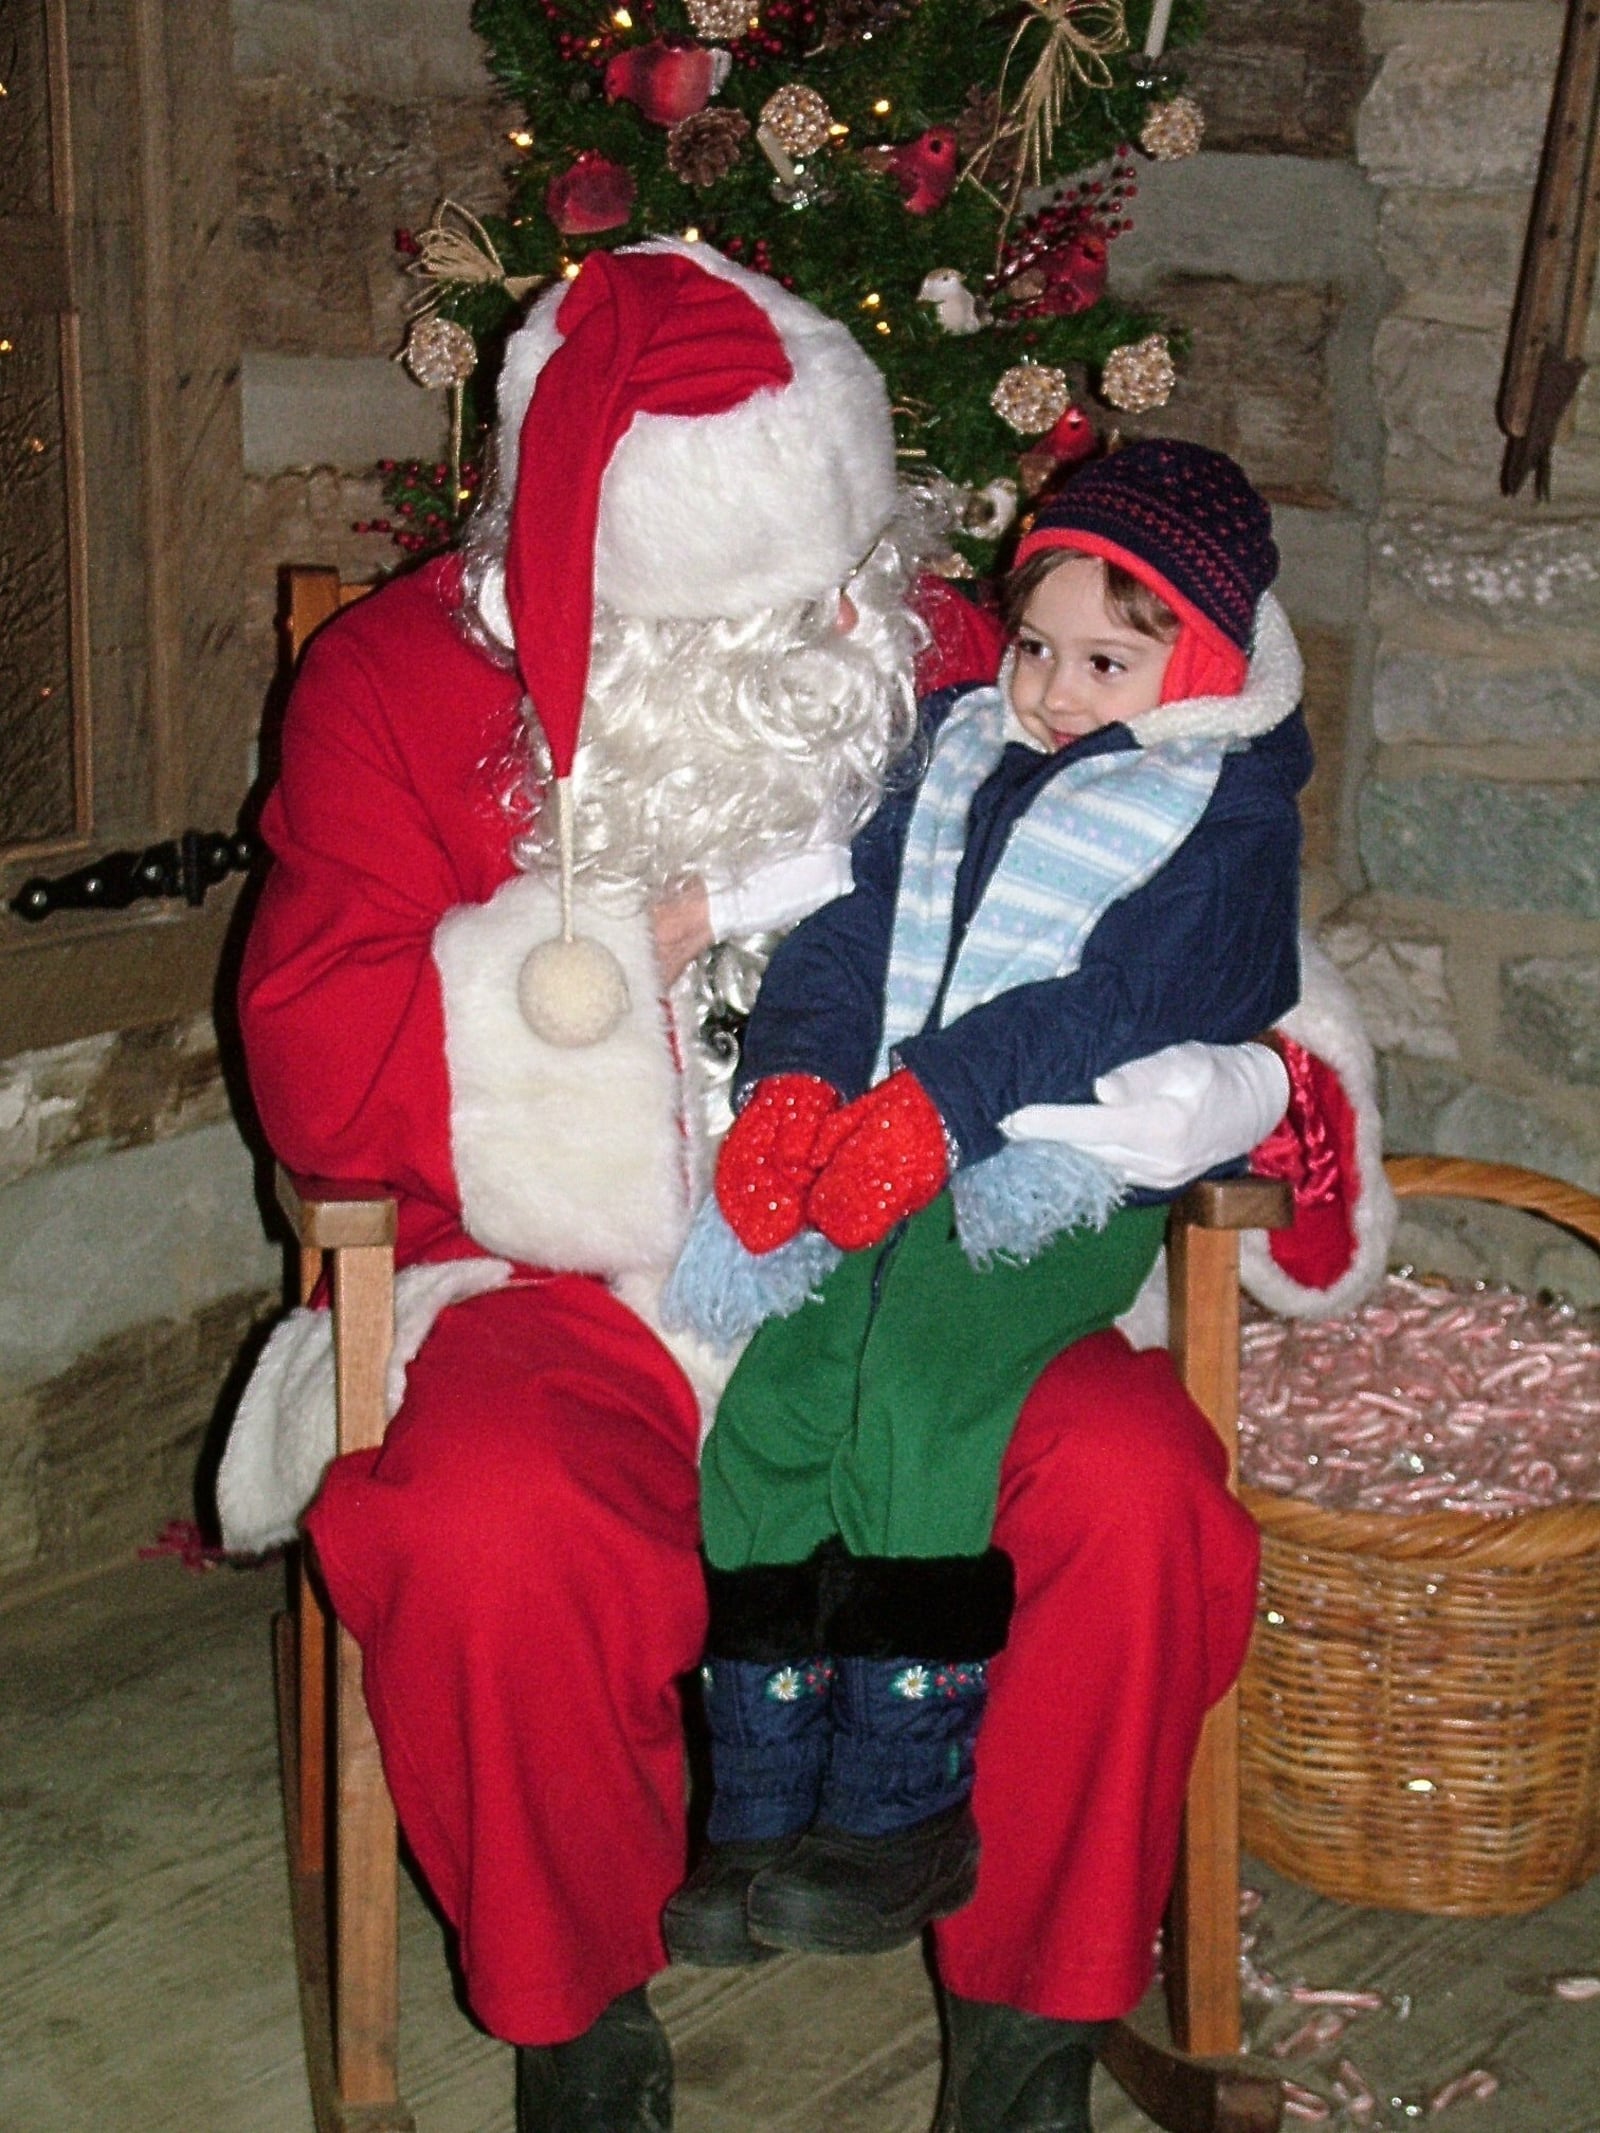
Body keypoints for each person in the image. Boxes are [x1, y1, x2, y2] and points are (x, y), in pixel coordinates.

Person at [215, 239, 1382, 2133]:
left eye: (839, 581)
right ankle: (580, 2024)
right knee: (477, 1527)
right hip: (565, 1286)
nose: (844, 627)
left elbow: (1187, 887)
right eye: (752, 602)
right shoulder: (394, 687)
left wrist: (1252, 1084)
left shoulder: (943, 647)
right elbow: (322, 1064)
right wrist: (625, 959)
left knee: (1142, 1491)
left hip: (929, 1243)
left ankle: (1032, 2037)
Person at [661, 443, 1308, 1979]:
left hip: (1049, 1169)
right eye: (1034, 646)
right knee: (778, 1400)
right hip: (883, 1133)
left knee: (922, 1389)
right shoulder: (952, 745)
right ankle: (759, 1799)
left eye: (1106, 659)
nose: (1054, 689)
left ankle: (899, 1803)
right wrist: (800, 1091)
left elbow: (1121, 997)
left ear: (1199, 660)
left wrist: (942, 1103)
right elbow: (846, 925)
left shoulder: (1222, 812)